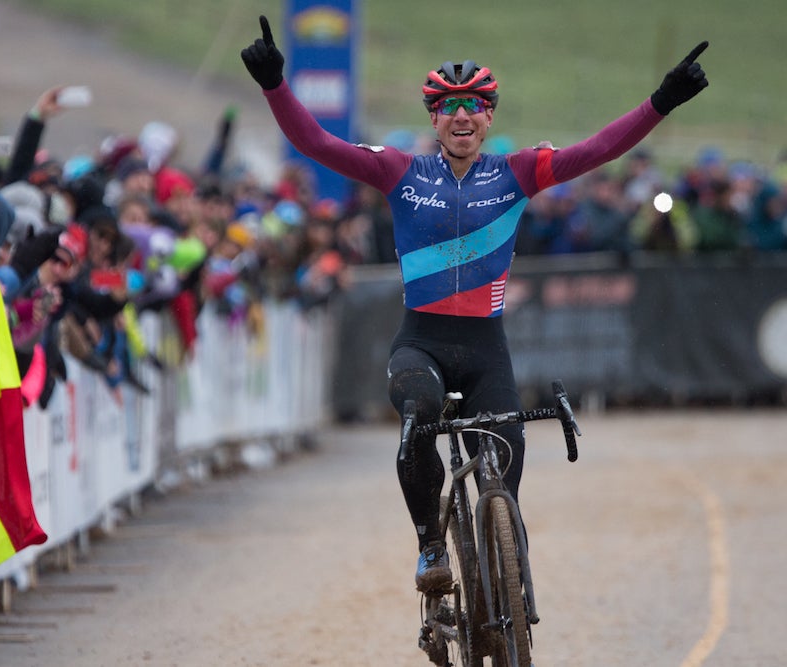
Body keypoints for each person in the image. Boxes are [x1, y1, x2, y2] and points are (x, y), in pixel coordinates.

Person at [242, 16, 709, 591]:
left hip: (487, 349)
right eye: (449, 106)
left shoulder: (518, 172)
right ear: (433, 118)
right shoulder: (399, 171)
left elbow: (598, 149)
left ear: (489, 117)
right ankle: (431, 546)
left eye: (474, 105)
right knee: (418, 422)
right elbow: (317, 143)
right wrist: (275, 85)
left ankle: (512, 589)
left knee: (507, 475)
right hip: (421, 343)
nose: (462, 116)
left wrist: (662, 101)